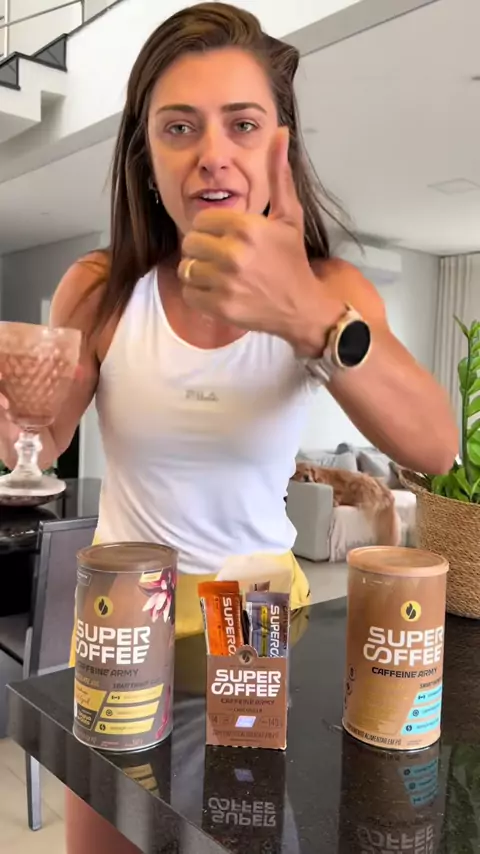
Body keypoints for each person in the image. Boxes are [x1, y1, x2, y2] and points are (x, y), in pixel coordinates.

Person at [0, 3, 457, 852]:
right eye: (179, 127)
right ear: (145, 157)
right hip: (123, 619)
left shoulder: (330, 289)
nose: (212, 152)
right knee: (105, 840)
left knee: (247, 835)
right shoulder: (102, 287)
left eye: (241, 124)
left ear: (280, 146)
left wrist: (308, 317)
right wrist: (12, 419)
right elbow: (41, 438)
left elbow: (436, 445)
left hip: (255, 619)